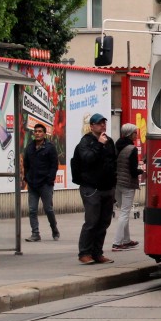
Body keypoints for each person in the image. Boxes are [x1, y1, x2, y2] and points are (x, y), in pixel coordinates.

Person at [72, 113, 117, 264]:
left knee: (104, 222)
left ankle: (97, 253)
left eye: (104, 123)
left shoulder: (109, 141)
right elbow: (87, 159)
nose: (102, 125)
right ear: (92, 126)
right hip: (91, 188)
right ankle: (84, 253)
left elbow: (112, 163)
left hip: (107, 187)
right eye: (99, 123)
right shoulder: (85, 142)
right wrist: (99, 144)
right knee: (91, 222)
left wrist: (114, 185)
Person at [22, 122, 60, 241]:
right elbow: (26, 164)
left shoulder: (50, 147)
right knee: (32, 210)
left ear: (44, 134)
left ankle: (54, 229)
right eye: (36, 131)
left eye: (40, 132)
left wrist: (50, 179)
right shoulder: (29, 147)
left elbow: (54, 165)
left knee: (48, 209)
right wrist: (27, 178)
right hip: (32, 184)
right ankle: (35, 233)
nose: (37, 134)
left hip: (45, 184)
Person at [111, 123, 141, 251]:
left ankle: (126, 240)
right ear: (130, 134)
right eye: (135, 132)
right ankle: (117, 243)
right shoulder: (132, 149)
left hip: (116, 183)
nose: (136, 134)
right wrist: (142, 171)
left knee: (124, 211)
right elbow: (133, 171)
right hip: (128, 183)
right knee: (124, 213)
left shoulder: (116, 145)